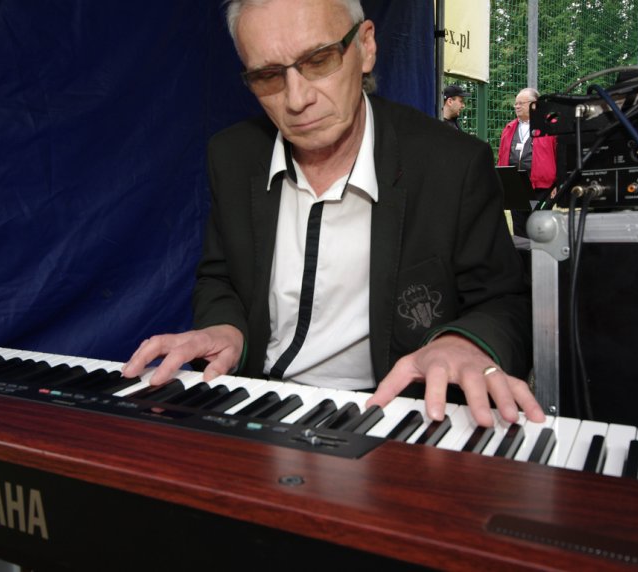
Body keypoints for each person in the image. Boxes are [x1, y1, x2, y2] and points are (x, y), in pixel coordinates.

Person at [123, 0, 544, 428]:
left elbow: (504, 301)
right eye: (268, 76)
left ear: (366, 46)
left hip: (397, 409)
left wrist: (462, 342)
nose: (297, 99)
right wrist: (226, 329)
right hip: (259, 402)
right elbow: (220, 277)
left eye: (319, 60)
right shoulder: (232, 156)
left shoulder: (452, 164)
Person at [497, 87, 558, 237]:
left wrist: (557, 182)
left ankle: (539, 251)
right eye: (516, 103)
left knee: (539, 224)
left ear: (534, 104)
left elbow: (560, 155)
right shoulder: (509, 128)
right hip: (516, 185)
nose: (517, 106)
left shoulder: (550, 125)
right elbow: (502, 155)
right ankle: (522, 251)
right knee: (519, 225)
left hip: (540, 186)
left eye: (521, 103)